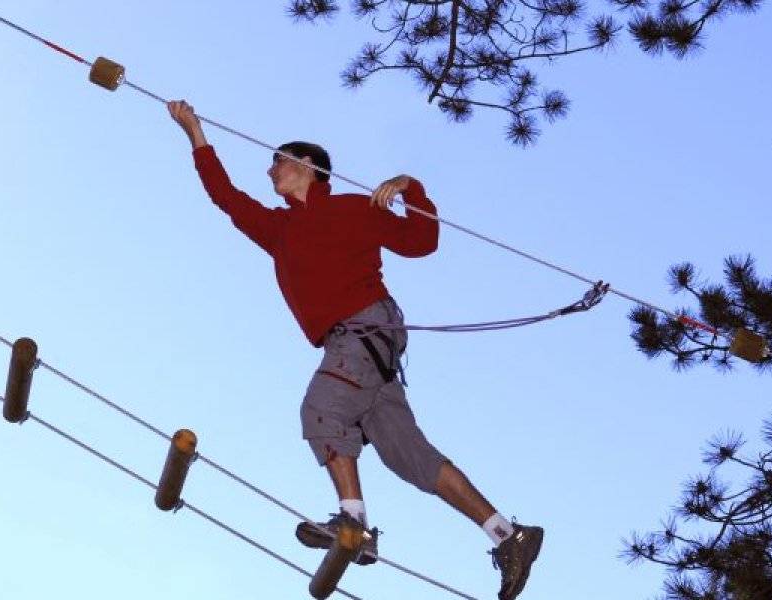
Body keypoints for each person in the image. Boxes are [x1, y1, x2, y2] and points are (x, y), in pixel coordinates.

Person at [167, 100, 543, 600]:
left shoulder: (350, 207)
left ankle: (355, 527)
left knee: (321, 408)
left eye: (277, 161)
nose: (269, 169)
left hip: (366, 331)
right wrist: (194, 131)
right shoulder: (278, 230)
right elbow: (225, 196)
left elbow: (422, 241)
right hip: (360, 350)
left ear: (307, 166)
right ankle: (509, 536)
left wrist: (410, 185)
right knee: (408, 456)